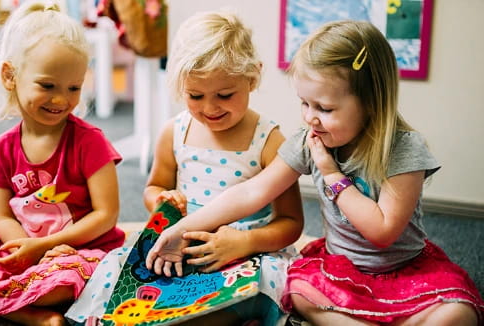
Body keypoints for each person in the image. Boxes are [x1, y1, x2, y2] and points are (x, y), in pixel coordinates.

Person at [146, 20, 484, 325]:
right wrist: (183, 227)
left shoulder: (403, 150)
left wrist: (331, 174)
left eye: (324, 108)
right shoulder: (309, 140)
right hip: (342, 272)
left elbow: (381, 231)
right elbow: (252, 192)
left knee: (459, 314)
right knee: (301, 294)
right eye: (304, 103)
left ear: (372, 102)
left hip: (404, 271)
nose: (310, 117)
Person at [66, 10, 304, 326]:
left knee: (262, 284)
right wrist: (163, 201)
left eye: (225, 94)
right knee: (118, 271)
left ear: (253, 77)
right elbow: (154, 189)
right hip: (181, 247)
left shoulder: (269, 140)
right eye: (195, 95)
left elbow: (291, 222)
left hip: (244, 251)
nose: (210, 107)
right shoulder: (175, 132)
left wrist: (244, 243)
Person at [0, 1, 125, 325]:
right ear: (10, 76)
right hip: (26, 253)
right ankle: (32, 315)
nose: (61, 100)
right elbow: (3, 217)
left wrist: (48, 246)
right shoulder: (0, 150)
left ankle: (18, 304)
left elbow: (106, 215)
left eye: (74, 88)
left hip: (81, 251)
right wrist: (22, 248)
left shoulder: (89, 142)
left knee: (61, 283)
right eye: (47, 86)